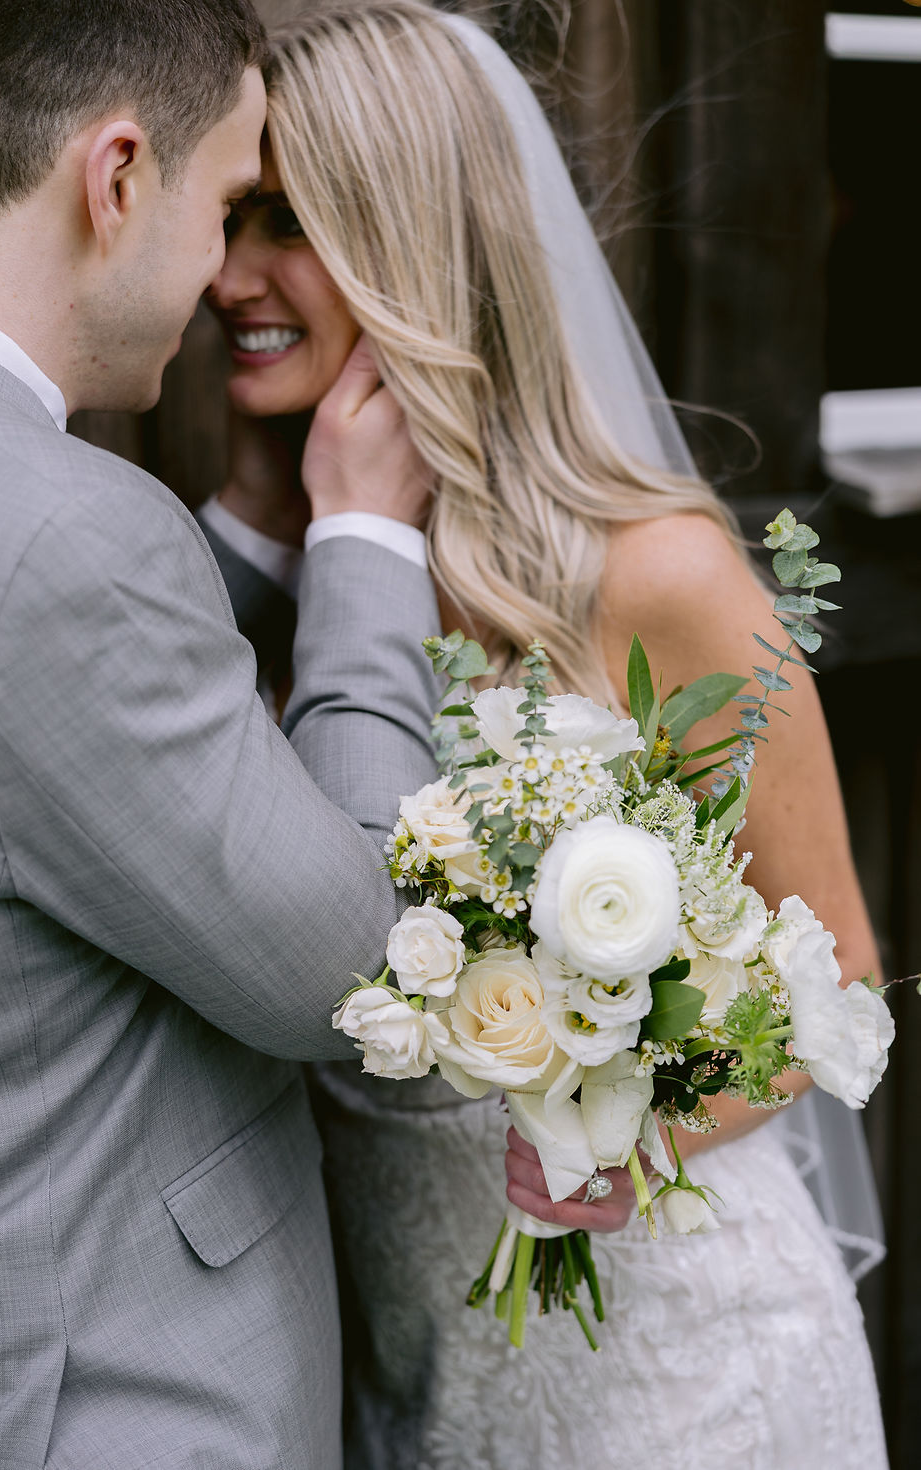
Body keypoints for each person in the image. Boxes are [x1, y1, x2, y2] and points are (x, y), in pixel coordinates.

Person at [202, 2, 891, 1466]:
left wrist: (624, 1140)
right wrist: (293, 525)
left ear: (409, 245)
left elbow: (837, 985)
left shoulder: (657, 576)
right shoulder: (289, 586)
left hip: (675, 1380)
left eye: (285, 221)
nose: (227, 276)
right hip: (414, 1374)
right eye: (225, 214)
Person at [0, 1, 443, 1465]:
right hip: (108, 1409)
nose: (229, 274)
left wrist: (247, 535)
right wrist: (362, 542)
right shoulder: (66, 536)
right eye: (229, 205)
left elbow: (6, 730)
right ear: (114, 178)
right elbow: (361, 975)